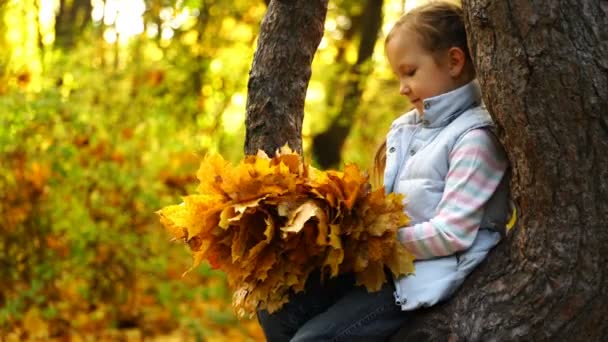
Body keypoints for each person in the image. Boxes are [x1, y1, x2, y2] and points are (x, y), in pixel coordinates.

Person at [257, 2, 511, 341]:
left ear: (454, 61)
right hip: (388, 267)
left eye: (410, 72)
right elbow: (391, 206)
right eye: (398, 76)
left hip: (424, 277)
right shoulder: (409, 129)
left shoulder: (475, 138)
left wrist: (374, 241)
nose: (403, 87)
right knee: (276, 304)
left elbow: (453, 233)